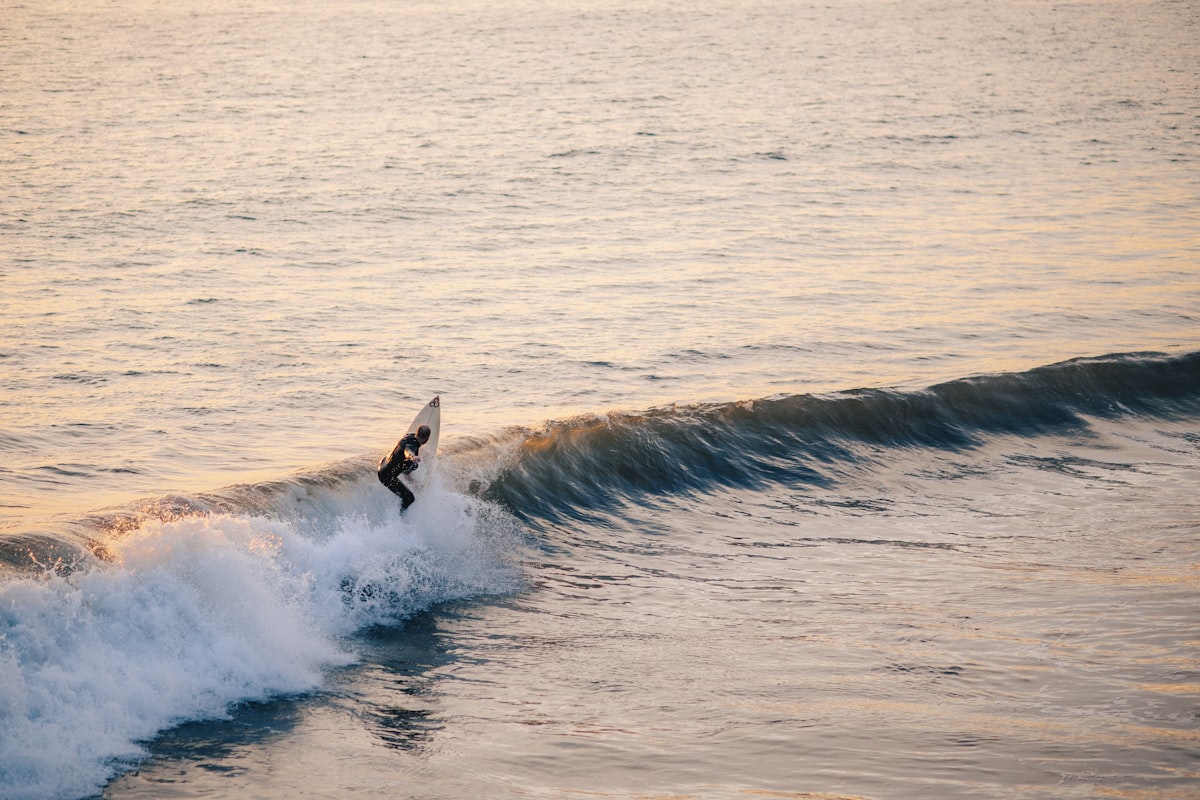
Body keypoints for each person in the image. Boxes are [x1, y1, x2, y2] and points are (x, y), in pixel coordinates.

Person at [378, 424, 431, 510]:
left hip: (383, 463)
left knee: (409, 464)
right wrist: (412, 457)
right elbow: (407, 450)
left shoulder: (410, 436)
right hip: (386, 476)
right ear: (427, 439)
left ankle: (408, 476)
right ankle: (399, 517)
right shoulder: (411, 446)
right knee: (409, 498)